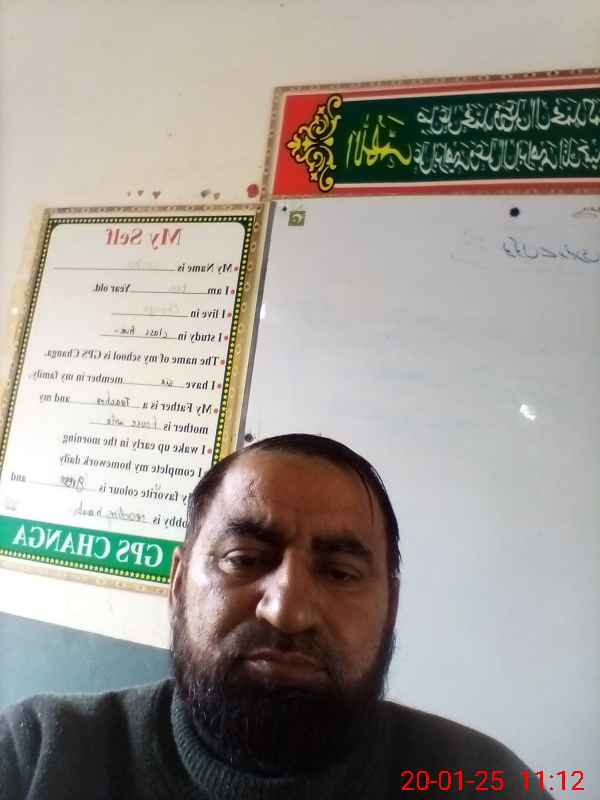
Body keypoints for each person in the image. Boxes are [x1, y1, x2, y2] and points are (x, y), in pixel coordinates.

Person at [0, 433, 551, 799]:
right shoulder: (37, 754)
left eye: (340, 573)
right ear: (178, 583)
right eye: (244, 559)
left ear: (392, 606)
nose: (287, 611)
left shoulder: (484, 782)